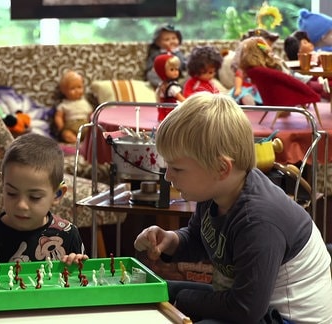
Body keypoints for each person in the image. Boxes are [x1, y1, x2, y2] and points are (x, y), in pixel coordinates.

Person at [133, 92, 332, 323]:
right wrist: (171, 240)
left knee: (180, 303)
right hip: (253, 305)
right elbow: (202, 239)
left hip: (285, 318)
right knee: (158, 291)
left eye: (177, 169)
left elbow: (245, 309)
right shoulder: (217, 191)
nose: (168, 177)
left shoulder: (258, 222)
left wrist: (184, 301)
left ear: (221, 168)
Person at [0, 133, 88, 266]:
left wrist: (75, 269)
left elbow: (87, 282)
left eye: (34, 197)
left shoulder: (68, 235)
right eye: (12, 193)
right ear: (3, 183)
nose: (21, 205)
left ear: (57, 194)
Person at [54, 70, 94, 144]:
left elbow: (91, 114)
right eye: (72, 88)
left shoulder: (85, 102)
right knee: (66, 134)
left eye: (79, 87)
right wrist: (62, 128)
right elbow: (58, 117)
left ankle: (88, 142)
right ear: (64, 91)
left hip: (85, 125)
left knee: (93, 132)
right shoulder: (64, 104)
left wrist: (92, 122)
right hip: (70, 127)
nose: (77, 90)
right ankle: (74, 141)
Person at [144, 24, 187, 89]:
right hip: (160, 76)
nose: (172, 41)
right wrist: (152, 68)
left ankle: (177, 86)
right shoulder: (156, 53)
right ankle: (163, 86)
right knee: (151, 74)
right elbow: (149, 64)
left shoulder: (178, 53)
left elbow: (183, 64)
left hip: (176, 76)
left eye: (174, 38)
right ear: (158, 43)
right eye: (167, 40)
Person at [153, 53, 185, 121]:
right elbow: (182, 99)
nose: (176, 72)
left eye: (177, 69)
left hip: (165, 112)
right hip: (172, 111)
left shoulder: (162, 85)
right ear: (163, 71)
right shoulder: (172, 87)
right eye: (172, 69)